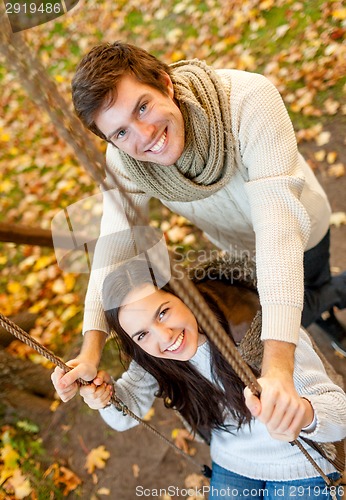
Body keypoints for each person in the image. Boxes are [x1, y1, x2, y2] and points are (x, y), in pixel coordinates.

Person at [56, 41, 346, 430]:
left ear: (165, 83)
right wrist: (90, 351)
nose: (143, 135)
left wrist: (277, 368)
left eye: (142, 106)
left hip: (299, 227)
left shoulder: (247, 100)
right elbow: (114, 246)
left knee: (308, 290)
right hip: (237, 246)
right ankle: (322, 315)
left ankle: (332, 296)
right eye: (121, 132)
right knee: (290, 310)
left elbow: (279, 233)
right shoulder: (128, 163)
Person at [52, 257, 346, 499]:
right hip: (234, 462)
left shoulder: (260, 327)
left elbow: (340, 414)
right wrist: (101, 396)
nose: (164, 337)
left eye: (163, 313)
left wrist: (304, 414)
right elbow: (125, 416)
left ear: (183, 295)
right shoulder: (155, 359)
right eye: (142, 334)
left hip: (302, 462)